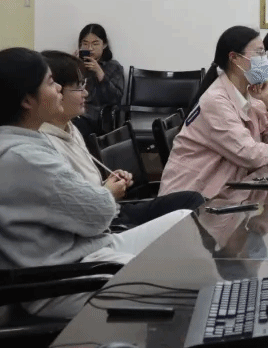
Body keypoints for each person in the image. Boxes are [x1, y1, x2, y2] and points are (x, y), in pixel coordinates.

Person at [0, 48, 191, 316]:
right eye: (50, 82)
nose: (58, 88)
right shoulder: (24, 157)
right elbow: (99, 213)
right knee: (168, 277)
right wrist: (105, 195)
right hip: (59, 281)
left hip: (82, 254)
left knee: (184, 219)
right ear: (27, 100)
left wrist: (100, 198)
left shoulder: (19, 141)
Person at [161, 27, 268, 200]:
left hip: (225, 192)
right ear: (234, 58)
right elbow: (249, 154)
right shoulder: (216, 101)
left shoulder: (251, 95)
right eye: (259, 54)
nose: (264, 60)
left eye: (264, 54)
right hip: (189, 200)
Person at [38, 51, 204, 229]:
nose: (85, 93)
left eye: (84, 85)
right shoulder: (46, 145)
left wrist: (109, 182)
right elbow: (75, 211)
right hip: (108, 224)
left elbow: (87, 187)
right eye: (79, 87)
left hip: (115, 210)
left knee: (191, 199)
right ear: (57, 92)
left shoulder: (71, 128)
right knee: (184, 216)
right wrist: (108, 192)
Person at [75, 23, 124, 135]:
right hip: (74, 112)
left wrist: (100, 73)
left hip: (97, 117)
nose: (90, 48)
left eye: (95, 44)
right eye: (85, 44)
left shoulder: (113, 67)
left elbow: (115, 99)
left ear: (104, 45)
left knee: (76, 126)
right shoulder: (77, 65)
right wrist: (72, 66)